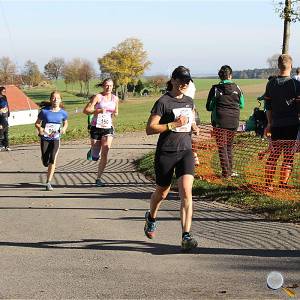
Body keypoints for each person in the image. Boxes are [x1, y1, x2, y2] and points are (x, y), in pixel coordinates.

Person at [144, 66, 200, 251]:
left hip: (185, 151)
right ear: (173, 80)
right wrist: (172, 124)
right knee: (163, 192)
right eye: (181, 81)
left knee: (186, 191)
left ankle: (186, 235)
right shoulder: (163, 102)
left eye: (187, 81)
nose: (184, 84)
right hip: (166, 152)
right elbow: (150, 128)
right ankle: (151, 217)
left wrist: (193, 129)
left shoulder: (190, 102)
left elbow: (191, 124)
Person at [264, 54, 300, 189]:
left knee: (273, 155)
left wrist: (269, 123)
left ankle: (268, 185)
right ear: (291, 66)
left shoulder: (271, 83)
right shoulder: (296, 84)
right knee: (288, 157)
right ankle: (282, 185)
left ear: (278, 66)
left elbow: (268, 107)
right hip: (292, 125)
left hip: (276, 125)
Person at [206, 65, 244, 178]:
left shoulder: (215, 89)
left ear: (220, 76)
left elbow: (208, 106)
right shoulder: (237, 88)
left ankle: (226, 173)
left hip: (220, 122)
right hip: (234, 121)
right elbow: (242, 105)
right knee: (229, 146)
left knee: (222, 147)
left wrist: (216, 106)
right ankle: (230, 171)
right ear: (230, 75)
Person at [83, 78, 119, 187]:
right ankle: (93, 151)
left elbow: (116, 111)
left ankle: (98, 178)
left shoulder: (115, 98)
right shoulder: (98, 97)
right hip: (96, 127)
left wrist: (114, 114)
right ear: (103, 86)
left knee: (105, 151)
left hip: (108, 127)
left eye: (111, 86)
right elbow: (86, 111)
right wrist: (98, 111)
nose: (109, 88)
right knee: (95, 155)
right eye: (106, 85)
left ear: (113, 87)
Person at [35, 91, 68, 191]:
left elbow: (66, 123)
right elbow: (37, 123)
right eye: (53, 98)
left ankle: (48, 182)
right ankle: (44, 159)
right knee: (46, 162)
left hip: (56, 138)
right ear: (50, 99)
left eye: (57, 98)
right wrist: (40, 129)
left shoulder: (63, 113)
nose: (55, 100)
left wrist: (64, 129)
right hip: (45, 138)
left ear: (60, 100)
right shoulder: (44, 111)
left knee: (53, 159)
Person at [0, 86, 11, 151]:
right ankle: (1, 146)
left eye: (5, 91)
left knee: (6, 131)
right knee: (1, 131)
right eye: (3, 91)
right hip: (0, 116)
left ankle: (6, 146)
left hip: (5, 115)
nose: (4, 92)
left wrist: (8, 112)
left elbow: (7, 105)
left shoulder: (4, 97)